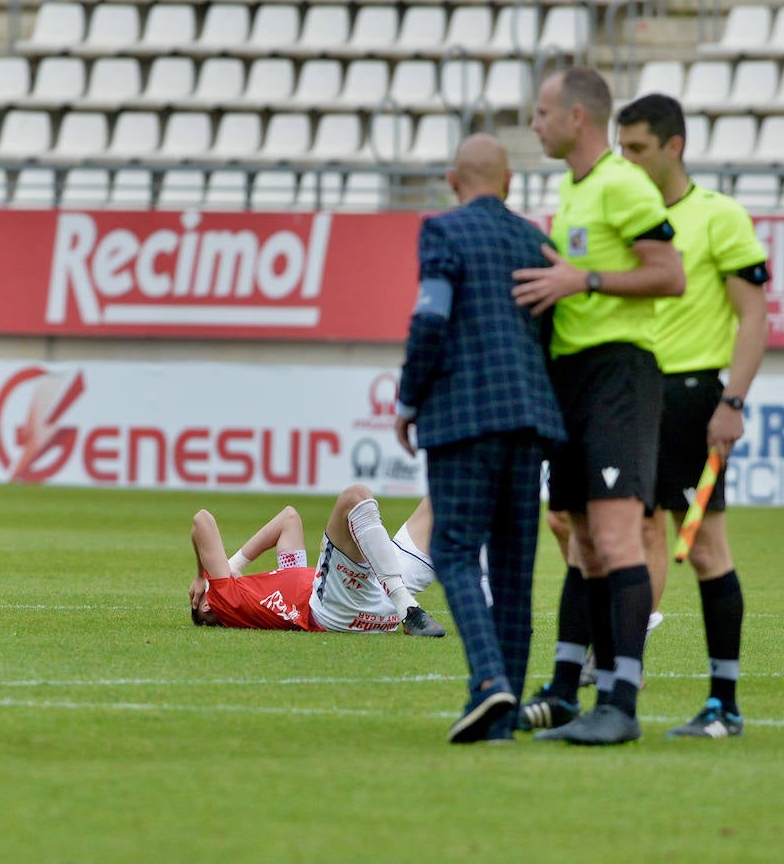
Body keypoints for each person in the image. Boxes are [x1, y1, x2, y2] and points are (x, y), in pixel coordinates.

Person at [511, 68, 685, 745]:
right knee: (581, 541)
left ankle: (621, 703)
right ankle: (562, 691)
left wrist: (581, 277)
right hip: (574, 377)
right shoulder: (571, 188)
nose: (534, 123)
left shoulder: (621, 183)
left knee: (615, 541)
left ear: (576, 117)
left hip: (620, 374)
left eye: (542, 111)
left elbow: (669, 274)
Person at [393, 134, 567, 744]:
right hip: (529, 421)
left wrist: (409, 399)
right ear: (510, 183)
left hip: (463, 418)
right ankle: (501, 713)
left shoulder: (443, 233)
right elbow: (549, 336)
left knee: (457, 552)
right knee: (516, 572)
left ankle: (489, 681)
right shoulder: (533, 240)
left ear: (451, 179)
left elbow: (430, 320)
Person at [615, 94, 768, 736]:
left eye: (639, 149)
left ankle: (724, 705)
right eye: (621, 149)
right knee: (640, 533)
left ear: (673, 147)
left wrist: (732, 402)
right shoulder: (631, 216)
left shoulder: (720, 217)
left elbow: (754, 315)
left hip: (691, 400)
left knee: (706, 549)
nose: (627, 160)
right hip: (637, 393)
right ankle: (625, 672)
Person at [189, 486, 444, 637]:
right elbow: (202, 520)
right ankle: (407, 608)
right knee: (354, 496)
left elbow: (289, 519)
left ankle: (480, 597)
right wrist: (203, 576)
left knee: (443, 492)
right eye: (199, 597)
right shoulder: (225, 598)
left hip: (377, 607)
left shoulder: (268, 593)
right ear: (208, 607)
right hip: (339, 606)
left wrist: (236, 567)